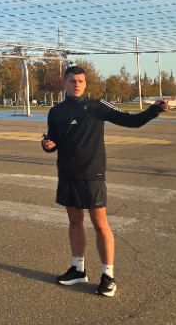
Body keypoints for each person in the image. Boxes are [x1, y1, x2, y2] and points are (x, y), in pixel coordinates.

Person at [42, 65, 168, 297]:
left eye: (80, 81)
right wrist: (47, 145)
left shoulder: (96, 107)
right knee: (74, 221)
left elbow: (132, 121)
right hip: (67, 174)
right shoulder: (56, 112)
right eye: (72, 81)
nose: (76, 84)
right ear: (65, 84)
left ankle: (108, 276)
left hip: (93, 174)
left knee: (100, 224)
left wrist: (154, 110)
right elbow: (53, 140)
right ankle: (78, 270)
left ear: (86, 83)